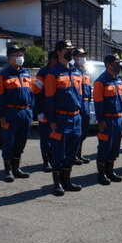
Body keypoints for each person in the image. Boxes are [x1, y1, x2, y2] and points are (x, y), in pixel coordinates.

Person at [45, 39, 84, 196]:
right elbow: (49, 99)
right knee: (59, 151)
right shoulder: (53, 74)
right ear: (60, 52)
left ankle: (67, 180)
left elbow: (80, 94)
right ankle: (57, 184)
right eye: (68, 49)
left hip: (76, 118)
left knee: (72, 151)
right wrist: (52, 121)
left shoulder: (76, 72)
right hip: (61, 118)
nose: (70, 51)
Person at [0, 45, 34, 182]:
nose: (20, 57)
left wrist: (31, 109)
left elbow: (31, 92)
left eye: (21, 54)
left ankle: (16, 168)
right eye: (16, 55)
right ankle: (8, 170)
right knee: (9, 141)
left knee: (21, 141)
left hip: (26, 111)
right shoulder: (2, 75)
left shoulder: (26, 73)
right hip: (11, 112)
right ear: (9, 58)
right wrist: (2, 116)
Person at [92, 53, 122, 185]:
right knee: (105, 146)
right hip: (107, 119)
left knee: (115, 146)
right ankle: (101, 174)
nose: (119, 66)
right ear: (109, 65)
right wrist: (101, 121)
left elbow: (121, 101)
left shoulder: (118, 79)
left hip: (118, 119)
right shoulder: (101, 81)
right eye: (116, 63)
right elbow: (98, 103)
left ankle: (110, 171)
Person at [32, 50, 58, 172]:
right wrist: (39, 111)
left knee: (55, 136)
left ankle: (54, 159)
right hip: (44, 109)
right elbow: (36, 93)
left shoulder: (59, 71)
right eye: (56, 58)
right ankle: (46, 161)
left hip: (57, 110)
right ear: (51, 59)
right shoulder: (42, 73)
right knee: (45, 137)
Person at [72, 47, 92, 165]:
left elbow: (88, 88)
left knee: (84, 131)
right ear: (74, 57)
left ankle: (79, 154)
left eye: (84, 55)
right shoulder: (73, 70)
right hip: (78, 103)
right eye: (80, 55)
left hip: (86, 102)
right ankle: (73, 155)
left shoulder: (85, 70)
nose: (83, 58)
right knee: (76, 132)